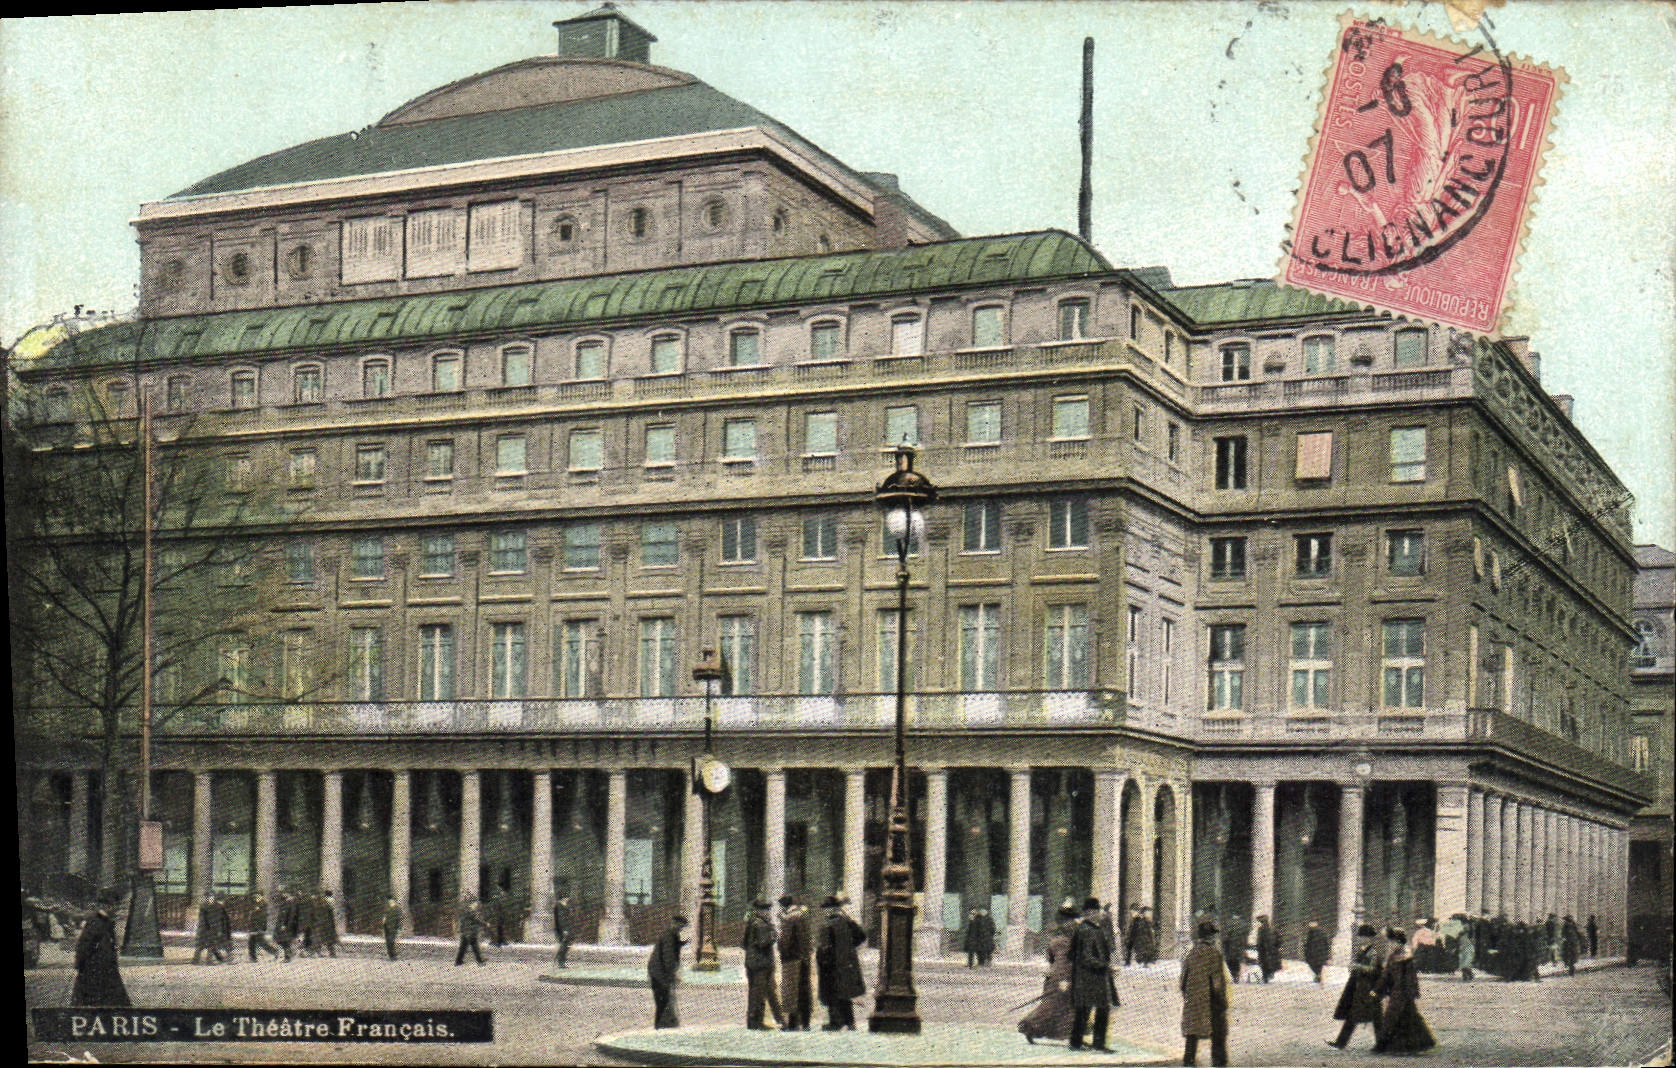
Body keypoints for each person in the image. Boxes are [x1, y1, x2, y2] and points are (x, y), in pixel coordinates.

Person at [1020, 903, 1079, 1044]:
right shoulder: (1068, 941)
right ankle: (1030, 1026)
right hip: (1062, 977)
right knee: (1054, 1005)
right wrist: (1064, 979)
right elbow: (1063, 962)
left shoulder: (1056, 939)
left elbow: (1051, 959)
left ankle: (1068, 1034)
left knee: (1063, 1006)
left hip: (1055, 976)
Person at [1373, 928, 1436, 1054]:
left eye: (1392, 942)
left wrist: (1410, 992)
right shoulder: (1393, 956)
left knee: (1393, 1017)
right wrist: (1377, 990)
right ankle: (1416, 1044)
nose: (1390, 945)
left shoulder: (1406, 957)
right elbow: (1386, 976)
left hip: (1403, 992)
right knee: (1408, 1018)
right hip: (1397, 992)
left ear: (1398, 942)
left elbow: (1410, 978)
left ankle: (1383, 1046)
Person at [1068, 897, 1117, 1052]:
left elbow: (1072, 955)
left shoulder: (1083, 929)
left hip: (1086, 977)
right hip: (1092, 977)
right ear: (1091, 912)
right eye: (1097, 911)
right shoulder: (1088, 930)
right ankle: (1098, 1043)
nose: (1099, 914)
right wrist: (1105, 967)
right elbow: (1086, 957)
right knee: (1101, 1009)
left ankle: (1076, 1042)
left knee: (1084, 1010)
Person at [1181, 918, 1230, 1068]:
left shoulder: (1191, 954)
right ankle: (1219, 1063)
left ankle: (1188, 1062)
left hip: (1193, 1001)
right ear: (1211, 937)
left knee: (1192, 1033)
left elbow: (1183, 981)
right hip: (1211, 1002)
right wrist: (1222, 1002)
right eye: (1214, 935)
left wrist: (1189, 996)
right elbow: (1217, 984)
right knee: (1218, 1032)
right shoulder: (1214, 955)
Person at [71, 888, 130, 1008]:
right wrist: (80, 965)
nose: (118, 910)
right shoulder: (96, 922)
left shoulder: (105, 921)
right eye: (116, 906)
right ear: (108, 906)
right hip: (95, 971)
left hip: (104, 970)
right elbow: (84, 946)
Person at [1328, 924, 1383, 1050]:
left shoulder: (1373, 953)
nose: (1362, 939)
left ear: (1370, 939)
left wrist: (1357, 967)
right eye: (1362, 937)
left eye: (1365, 937)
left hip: (1369, 989)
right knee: (1357, 1016)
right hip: (1360, 989)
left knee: (1375, 1018)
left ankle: (1381, 1043)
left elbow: (1373, 969)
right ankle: (1341, 1042)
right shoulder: (1363, 951)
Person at [816, 892, 866, 1031]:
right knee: (844, 993)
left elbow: (824, 948)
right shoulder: (847, 922)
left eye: (825, 908)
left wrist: (822, 962)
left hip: (831, 965)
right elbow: (862, 936)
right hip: (846, 964)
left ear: (830, 909)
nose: (824, 911)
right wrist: (848, 949)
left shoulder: (827, 925)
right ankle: (850, 1022)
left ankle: (835, 1022)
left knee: (831, 993)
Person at [743, 897, 785, 1029]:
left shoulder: (752, 923)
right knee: (760, 995)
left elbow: (744, 943)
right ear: (759, 911)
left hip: (754, 963)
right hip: (761, 964)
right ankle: (757, 1022)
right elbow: (763, 942)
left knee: (760, 993)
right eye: (766, 910)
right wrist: (774, 935)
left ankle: (774, 1020)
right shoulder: (760, 924)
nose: (767, 912)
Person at [778, 894, 814, 1031]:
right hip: (805, 958)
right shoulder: (803, 916)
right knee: (804, 990)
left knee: (791, 992)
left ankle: (792, 1023)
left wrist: (782, 951)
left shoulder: (789, 918)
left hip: (791, 959)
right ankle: (805, 1023)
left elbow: (784, 941)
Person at [648, 915, 687, 1029]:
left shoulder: (670, 934)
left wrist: (680, 944)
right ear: (675, 923)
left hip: (658, 972)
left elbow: (671, 948)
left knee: (663, 1001)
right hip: (660, 973)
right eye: (681, 926)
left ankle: (664, 1025)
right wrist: (672, 975)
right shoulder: (670, 935)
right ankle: (662, 1026)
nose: (681, 929)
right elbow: (668, 956)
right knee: (663, 1001)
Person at [247, 893, 280, 962]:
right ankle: (253, 958)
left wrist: (260, 928)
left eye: (258, 896)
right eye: (256, 896)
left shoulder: (263, 905)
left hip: (258, 927)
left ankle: (274, 951)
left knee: (260, 943)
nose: (256, 898)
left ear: (261, 897)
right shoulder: (255, 904)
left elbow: (262, 918)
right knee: (252, 942)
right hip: (254, 927)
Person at [455, 896, 486, 966]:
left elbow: (463, 922)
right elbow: (476, 920)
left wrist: (461, 930)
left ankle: (459, 961)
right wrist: (485, 924)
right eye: (476, 904)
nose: (476, 905)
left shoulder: (465, 910)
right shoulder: (470, 911)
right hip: (470, 932)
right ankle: (480, 961)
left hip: (467, 932)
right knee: (473, 947)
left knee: (465, 947)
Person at [192, 894, 220, 965]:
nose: (212, 899)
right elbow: (203, 918)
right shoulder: (204, 906)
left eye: (213, 897)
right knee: (200, 945)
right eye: (210, 897)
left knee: (211, 945)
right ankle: (195, 960)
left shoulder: (215, 906)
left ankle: (209, 960)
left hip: (210, 928)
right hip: (204, 929)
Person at [274, 889, 298, 962]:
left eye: (285, 893)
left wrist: (285, 925)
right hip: (282, 925)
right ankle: (289, 953)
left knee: (284, 941)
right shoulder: (285, 902)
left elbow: (289, 915)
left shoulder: (289, 903)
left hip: (285, 926)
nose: (283, 894)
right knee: (280, 940)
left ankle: (288, 956)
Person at [1255, 915, 1281, 983]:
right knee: (1270, 963)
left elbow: (1260, 940)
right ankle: (1269, 974)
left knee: (1264, 964)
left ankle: (1266, 976)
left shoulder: (1261, 929)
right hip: (1272, 950)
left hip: (1263, 950)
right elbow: (1279, 939)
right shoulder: (1273, 928)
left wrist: (1258, 947)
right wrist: (1277, 947)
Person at [1221, 914, 1246, 984]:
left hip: (1231, 946)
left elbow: (1226, 936)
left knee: (1231, 961)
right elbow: (1245, 935)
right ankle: (1236, 976)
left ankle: (1233, 975)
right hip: (1239, 946)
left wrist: (1224, 943)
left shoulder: (1229, 923)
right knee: (1237, 961)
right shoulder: (1243, 923)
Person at [317, 889, 340, 958]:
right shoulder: (329, 902)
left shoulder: (322, 902)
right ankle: (332, 953)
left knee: (322, 938)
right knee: (329, 938)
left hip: (323, 922)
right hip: (328, 922)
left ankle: (319, 952)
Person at [553, 893, 574, 968]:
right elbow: (560, 919)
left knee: (567, 945)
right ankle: (560, 962)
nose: (568, 899)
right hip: (561, 928)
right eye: (566, 897)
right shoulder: (558, 906)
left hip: (567, 927)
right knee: (563, 945)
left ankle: (562, 961)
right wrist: (564, 929)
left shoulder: (566, 904)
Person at [1456, 918, 1476, 982]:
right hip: (1463, 947)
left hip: (1468, 947)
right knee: (1462, 962)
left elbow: (1472, 940)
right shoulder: (1461, 934)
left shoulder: (1470, 932)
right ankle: (1465, 975)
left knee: (1466, 962)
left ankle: (1469, 975)